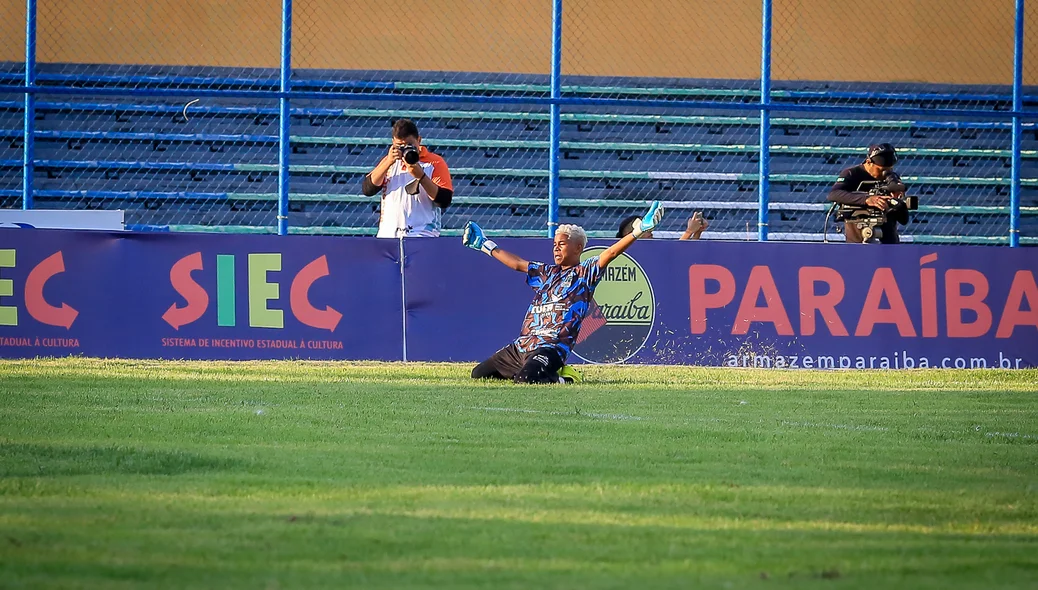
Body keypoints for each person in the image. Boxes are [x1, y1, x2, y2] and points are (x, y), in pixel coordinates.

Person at [464, 202, 664, 384]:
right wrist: (484, 244)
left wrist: (637, 232)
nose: (556, 249)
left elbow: (610, 253)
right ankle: (535, 371)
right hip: (522, 346)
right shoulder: (546, 273)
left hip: (550, 348)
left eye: (562, 244)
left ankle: (566, 378)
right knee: (479, 374)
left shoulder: (585, 273)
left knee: (525, 379)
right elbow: (517, 264)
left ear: (578, 248)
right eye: (554, 245)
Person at [361, 119, 454, 238]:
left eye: (410, 145)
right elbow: (368, 189)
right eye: (400, 146)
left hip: (422, 233)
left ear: (419, 140)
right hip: (389, 233)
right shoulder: (390, 162)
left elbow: (444, 200)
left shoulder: (434, 162)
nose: (405, 149)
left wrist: (422, 177)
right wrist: (389, 161)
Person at [827, 143, 909, 244]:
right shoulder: (852, 173)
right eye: (881, 170)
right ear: (869, 162)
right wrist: (868, 199)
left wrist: (898, 202)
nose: (885, 174)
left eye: (890, 169)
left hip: (888, 236)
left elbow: (904, 220)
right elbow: (834, 194)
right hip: (858, 232)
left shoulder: (892, 178)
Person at [616, 210, 707, 239]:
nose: (650, 231)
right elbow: (675, 254)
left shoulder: (653, 247)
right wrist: (689, 231)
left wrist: (697, 232)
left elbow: (685, 253)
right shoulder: (631, 253)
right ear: (628, 235)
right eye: (644, 229)